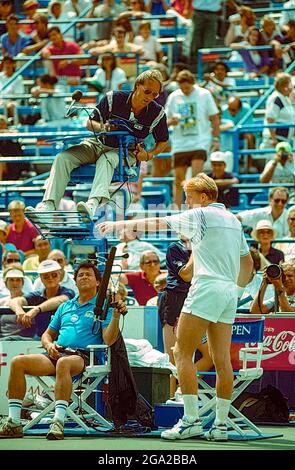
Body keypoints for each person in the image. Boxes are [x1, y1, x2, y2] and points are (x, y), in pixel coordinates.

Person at [98, 173, 253, 441]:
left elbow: (157, 222)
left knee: (181, 351)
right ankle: (220, 426)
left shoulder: (201, 215)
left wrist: (117, 224)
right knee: (222, 360)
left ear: (203, 198)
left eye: (189, 198)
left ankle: (191, 420)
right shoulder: (233, 221)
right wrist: (234, 290)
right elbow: (248, 266)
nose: (186, 203)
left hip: (207, 289)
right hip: (228, 293)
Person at [0, 261, 127, 439]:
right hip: (57, 353)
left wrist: (114, 316)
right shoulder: (65, 306)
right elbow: (47, 334)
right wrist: (49, 345)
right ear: (74, 281)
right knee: (17, 362)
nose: (83, 277)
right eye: (80, 275)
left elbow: (109, 339)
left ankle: (58, 422)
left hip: (85, 357)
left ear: (98, 282)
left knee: (63, 363)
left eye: (88, 274)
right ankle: (13, 423)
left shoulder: (105, 306)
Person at [26, 69, 169, 221]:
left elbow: (163, 141)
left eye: (155, 94)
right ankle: (47, 206)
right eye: (147, 91)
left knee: (107, 159)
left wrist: (149, 155)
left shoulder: (157, 112)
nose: (150, 97)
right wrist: (103, 128)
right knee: (63, 158)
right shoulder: (113, 98)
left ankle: (92, 205)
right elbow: (90, 122)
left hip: (126, 152)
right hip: (97, 142)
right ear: (136, 86)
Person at [165, 69, 220, 207]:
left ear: (193, 84)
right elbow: (165, 120)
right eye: (182, 88)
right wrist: (173, 121)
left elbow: (214, 117)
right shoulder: (173, 96)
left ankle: (196, 209)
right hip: (180, 143)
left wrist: (216, 139)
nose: (185, 90)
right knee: (178, 180)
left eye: (187, 87)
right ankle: (177, 209)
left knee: (197, 180)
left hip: (200, 141)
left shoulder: (204, 94)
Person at [7, 259, 75, 339]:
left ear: (60, 275)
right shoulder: (37, 295)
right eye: (46, 276)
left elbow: (61, 300)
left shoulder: (68, 292)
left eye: (54, 275)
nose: (50, 278)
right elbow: (15, 301)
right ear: (41, 278)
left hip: (62, 340)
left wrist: (36, 309)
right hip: (39, 338)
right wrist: (19, 311)